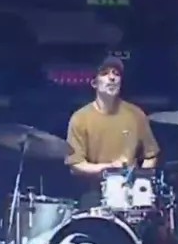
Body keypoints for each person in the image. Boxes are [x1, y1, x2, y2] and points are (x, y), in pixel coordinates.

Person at [64, 57, 160, 208]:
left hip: (131, 192)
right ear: (94, 83)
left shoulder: (136, 114)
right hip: (95, 192)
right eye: (105, 73)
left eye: (116, 74)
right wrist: (108, 168)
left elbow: (151, 155)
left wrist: (140, 181)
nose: (112, 78)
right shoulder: (80, 118)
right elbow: (76, 164)